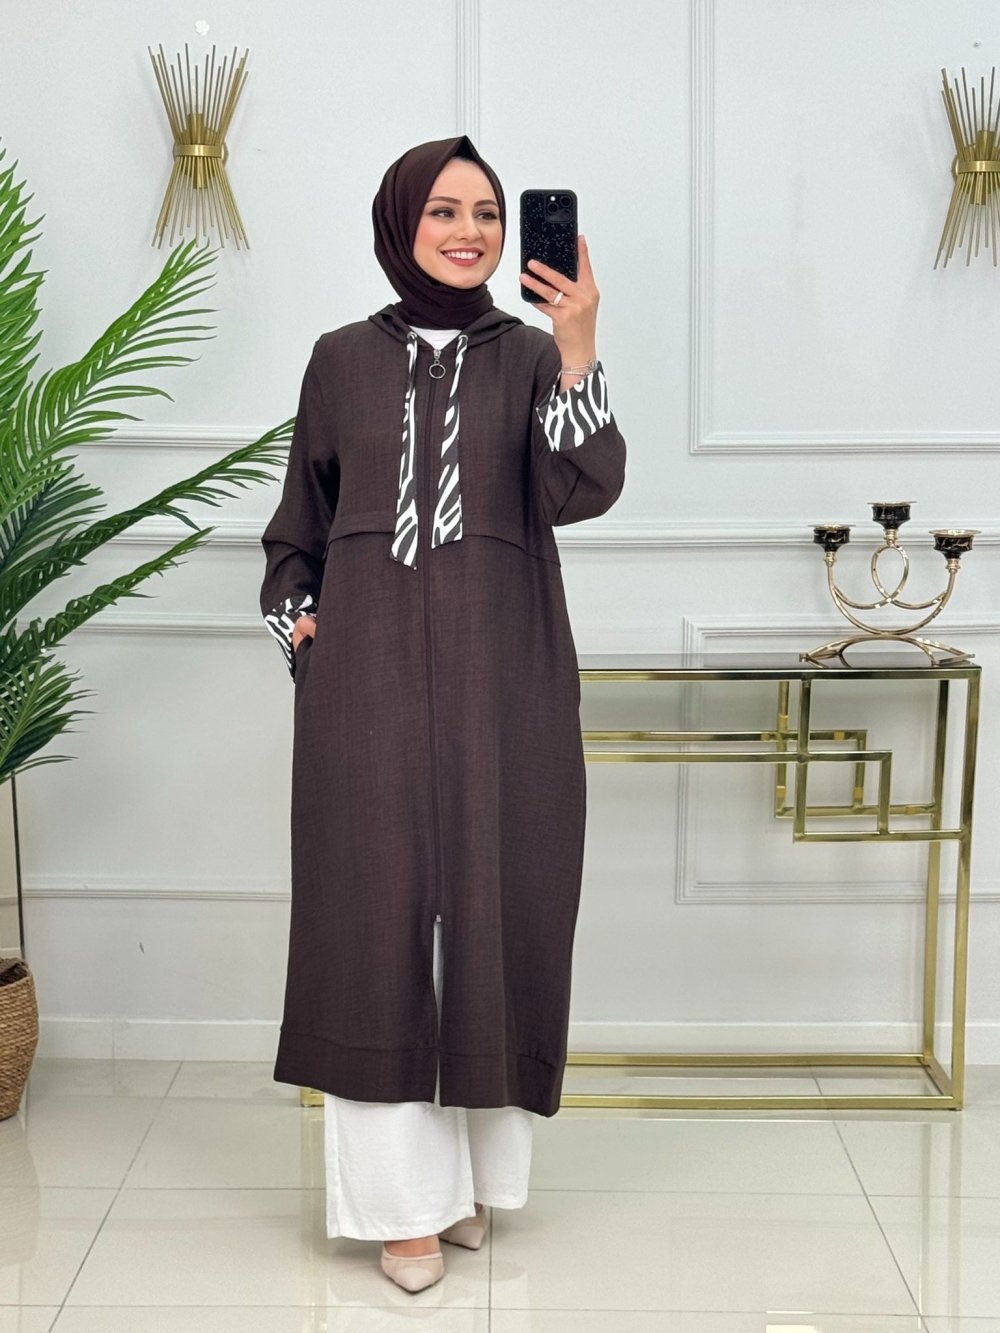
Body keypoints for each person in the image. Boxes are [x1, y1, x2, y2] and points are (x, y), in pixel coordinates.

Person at [258, 135, 626, 1293]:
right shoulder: (338, 361)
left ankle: (468, 1186)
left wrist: (578, 345)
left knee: (495, 909)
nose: (469, 232)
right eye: (443, 211)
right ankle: (401, 1210)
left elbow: (585, 488)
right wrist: (301, 626)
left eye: (487, 213)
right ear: (399, 223)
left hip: (503, 673)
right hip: (363, 682)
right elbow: (296, 527)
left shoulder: (531, 356)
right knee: (371, 925)